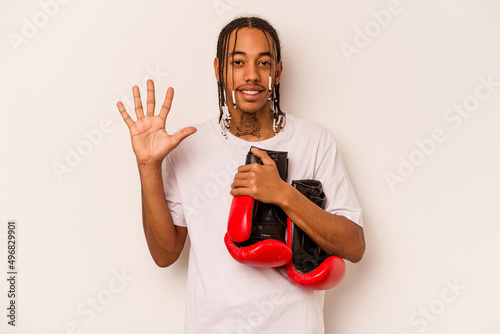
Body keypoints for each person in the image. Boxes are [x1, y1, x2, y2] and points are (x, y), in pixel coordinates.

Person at [117, 16, 365, 334]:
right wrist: (149, 167)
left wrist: (284, 194)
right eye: (238, 62)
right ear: (220, 69)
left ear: (277, 71)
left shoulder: (314, 140)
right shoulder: (189, 145)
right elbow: (165, 255)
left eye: (264, 62)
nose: (252, 75)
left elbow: (354, 246)